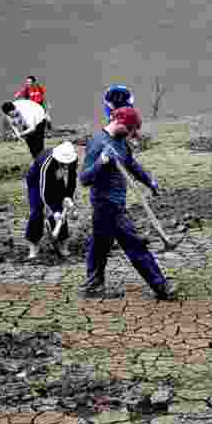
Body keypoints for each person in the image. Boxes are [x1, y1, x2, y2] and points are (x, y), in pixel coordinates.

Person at [78, 107, 176, 300]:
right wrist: (102, 161)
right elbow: (84, 179)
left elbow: (131, 164)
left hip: (116, 203)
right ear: (119, 122)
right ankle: (161, 286)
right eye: (130, 129)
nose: (132, 134)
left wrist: (150, 182)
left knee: (100, 246)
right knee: (135, 245)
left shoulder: (121, 142)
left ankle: (92, 286)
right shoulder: (97, 143)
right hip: (106, 205)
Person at [25, 140, 78, 260]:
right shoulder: (47, 162)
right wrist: (54, 211)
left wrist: (68, 197)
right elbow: (44, 191)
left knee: (60, 210)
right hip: (36, 181)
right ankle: (33, 247)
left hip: (56, 180)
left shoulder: (73, 159)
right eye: (63, 162)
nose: (66, 165)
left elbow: (72, 179)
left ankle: (63, 244)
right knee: (37, 211)